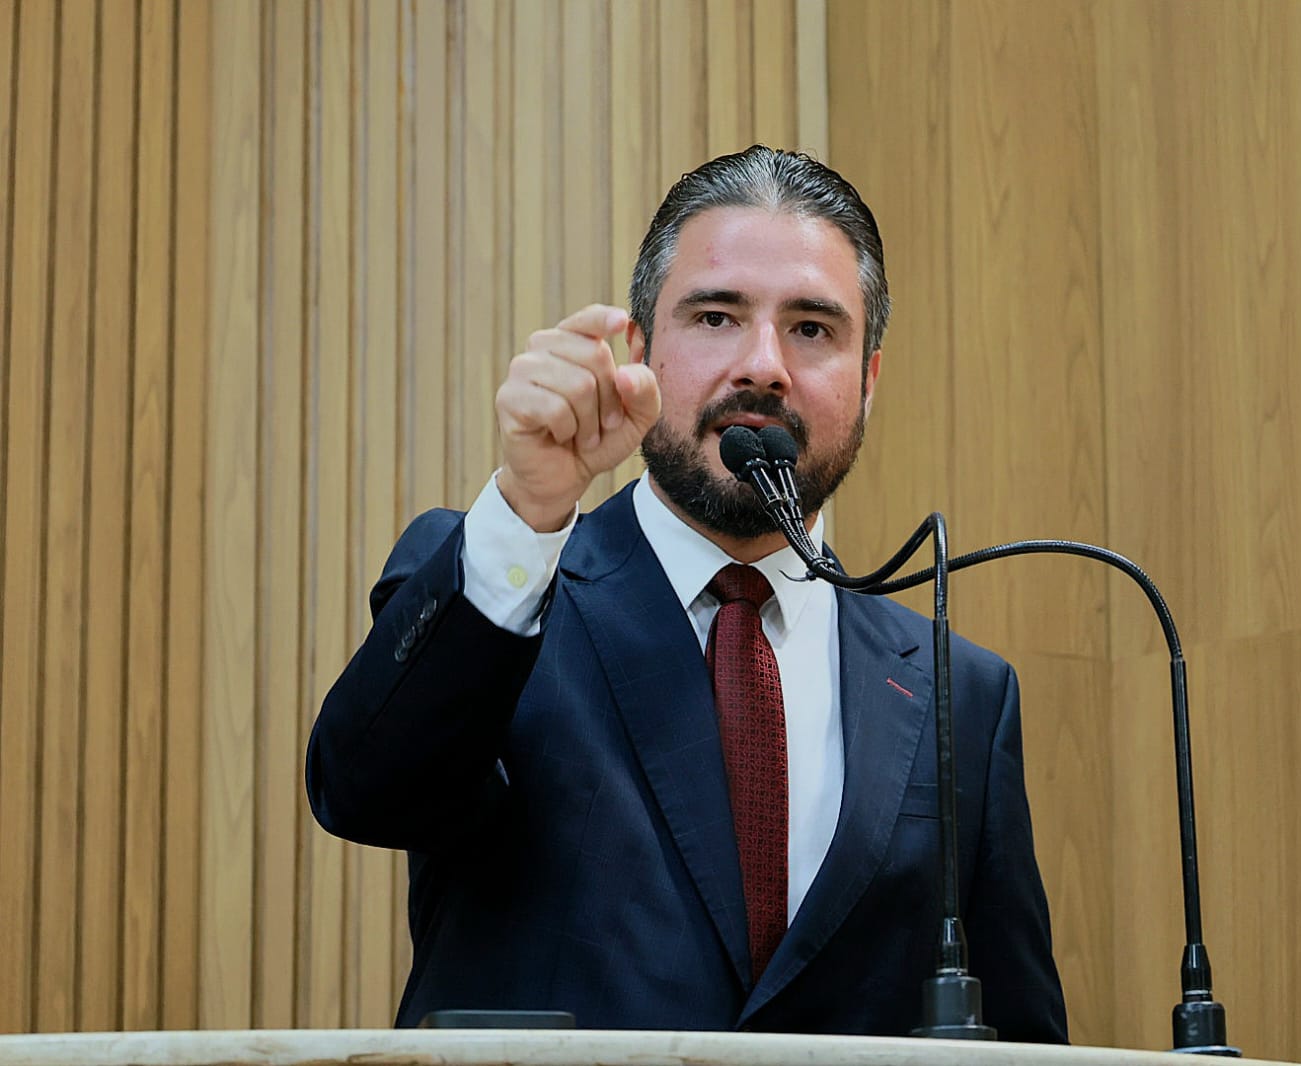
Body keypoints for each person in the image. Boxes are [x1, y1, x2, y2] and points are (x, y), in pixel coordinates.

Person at [307, 146, 1068, 1041]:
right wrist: (528, 511)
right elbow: (365, 795)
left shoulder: (959, 695)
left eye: (811, 329)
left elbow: (1021, 1039)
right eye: (715, 317)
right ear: (639, 354)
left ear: (867, 382)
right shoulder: (500, 585)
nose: (763, 366)